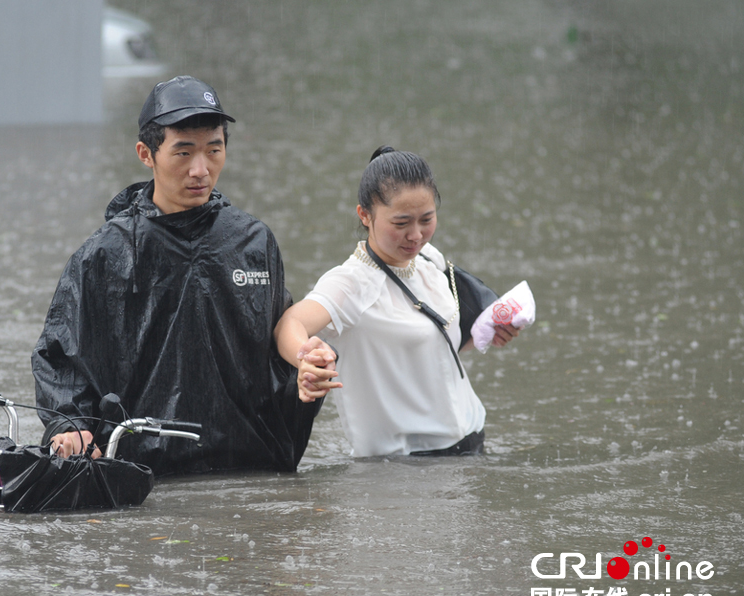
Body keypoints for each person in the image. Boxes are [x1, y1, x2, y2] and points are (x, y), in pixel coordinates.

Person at [31, 76, 332, 476]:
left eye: (214, 150)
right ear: (146, 153)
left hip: (248, 470)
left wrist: (308, 371)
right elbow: (60, 357)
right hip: (144, 478)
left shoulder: (253, 243)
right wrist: (71, 427)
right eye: (184, 152)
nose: (200, 169)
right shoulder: (104, 254)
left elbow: (279, 345)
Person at [274, 146, 519, 457]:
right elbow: (290, 323)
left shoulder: (430, 260)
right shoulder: (352, 282)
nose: (415, 235)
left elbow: (436, 347)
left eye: (426, 219)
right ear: (365, 215)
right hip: (403, 468)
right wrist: (305, 358)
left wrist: (488, 332)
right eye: (401, 223)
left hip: (472, 446)